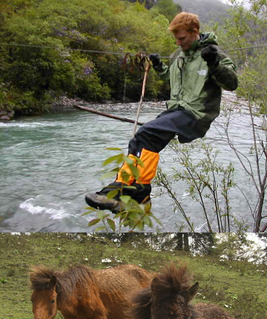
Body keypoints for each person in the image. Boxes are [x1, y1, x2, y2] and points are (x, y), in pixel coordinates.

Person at [85, 12, 239, 213]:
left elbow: (232, 84)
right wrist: (159, 67)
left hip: (196, 114)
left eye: (181, 38)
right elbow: (173, 80)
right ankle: (121, 192)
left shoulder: (214, 54)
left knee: (148, 132)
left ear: (195, 32)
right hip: (177, 110)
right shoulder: (180, 56)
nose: (178, 42)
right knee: (140, 139)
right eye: (175, 38)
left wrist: (214, 64)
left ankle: (140, 191)